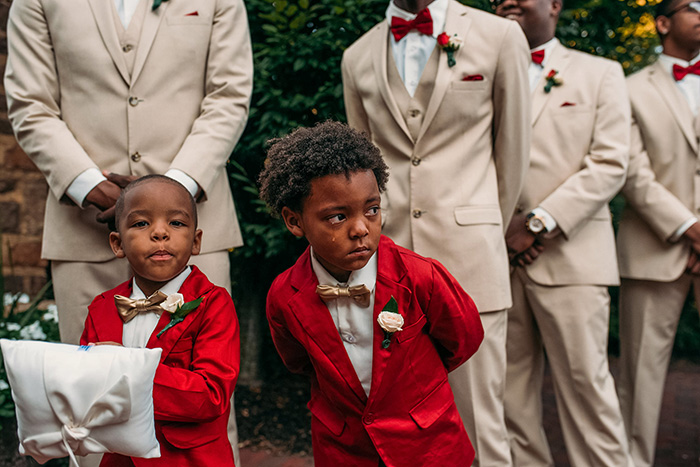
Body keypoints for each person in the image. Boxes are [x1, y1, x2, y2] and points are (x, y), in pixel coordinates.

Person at [4, 0, 251, 462]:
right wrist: (90, 187)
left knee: (210, 411)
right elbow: (30, 102)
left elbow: (229, 95)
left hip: (195, 222)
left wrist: (168, 195)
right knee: (89, 409)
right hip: (83, 228)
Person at [341, 1, 530, 464]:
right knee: (395, 422)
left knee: (480, 422)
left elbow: (513, 151)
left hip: (471, 259)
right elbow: (359, 173)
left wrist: (485, 226)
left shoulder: (500, 36)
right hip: (387, 267)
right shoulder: (357, 55)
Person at [259, 121, 484, 466]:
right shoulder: (283, 296)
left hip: (426, 445)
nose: (361, 228)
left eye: (372, 209)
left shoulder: (420, 276)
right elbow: (299, 362)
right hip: (344, 449)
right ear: (294, 221)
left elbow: (463, 338)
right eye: (337, 217)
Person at [493, 1, 633, 466]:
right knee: (509, 399)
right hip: (498, 260)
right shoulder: (478, 71)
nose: (506, 1)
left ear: (555, 5)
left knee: (588, 394)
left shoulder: (601, 73)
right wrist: (499, 230)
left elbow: (611, 163)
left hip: (573, 258)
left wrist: (536, 224)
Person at [81, 175, 239, 466]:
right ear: (117, 244)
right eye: (141, 223)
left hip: (191, 460)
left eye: (176, 223)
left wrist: (123, 371)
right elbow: (86, 391)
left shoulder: (213, 304)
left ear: (196, 241)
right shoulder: (100, 309)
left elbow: (211, 395)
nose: (160, 233)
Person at [616, 1, 700, 465]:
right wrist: (690, 228)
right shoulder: (629, 89)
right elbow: (632, 171)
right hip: (653, 248)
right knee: (639, 381)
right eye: (692, 5)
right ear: (663, 22)